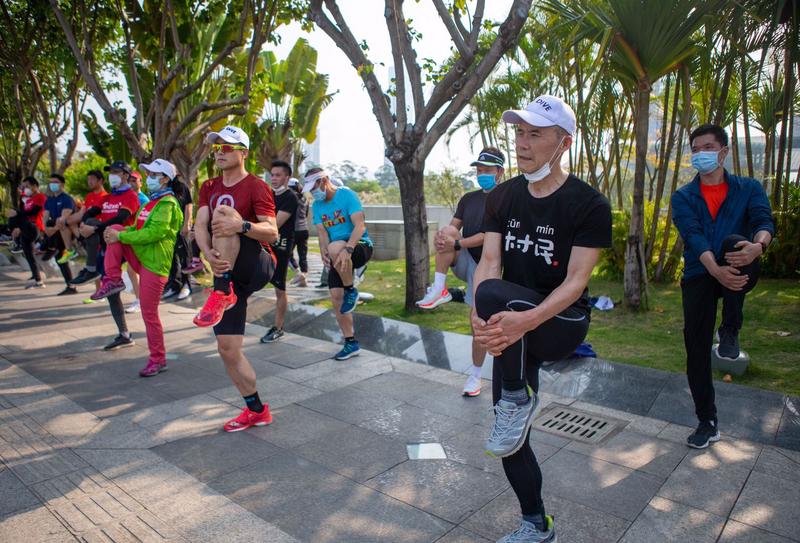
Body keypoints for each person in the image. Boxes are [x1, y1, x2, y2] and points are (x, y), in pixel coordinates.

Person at [472, 96, 611, 543]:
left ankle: (516, 397)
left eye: (535, 134)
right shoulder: (503, 196)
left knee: (497, 299)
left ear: (564, 143)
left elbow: (576, 281)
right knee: (509, 438)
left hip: (560, 322)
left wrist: (526, 320)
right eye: (518, 132)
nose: (522, 143)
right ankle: (536, 524)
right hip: (512, 327)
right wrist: (478, 317)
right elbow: (489, 262)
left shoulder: (588, 204)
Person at [671, 123, 774, 450]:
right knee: (696, 348)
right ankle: (707, 421)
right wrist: (716, 271)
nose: (700, 154)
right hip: (701, 272)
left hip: (741, 267)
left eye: (708, 147)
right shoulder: (683, 197)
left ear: (724, 152)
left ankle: (730, 328)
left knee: (733, 241)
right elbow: (693, 235)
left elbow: (763, 221)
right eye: (695, 149)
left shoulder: (748, 188)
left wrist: (759, 246)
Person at [193, 126, 279, 432]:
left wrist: (241, 226)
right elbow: (199, 225)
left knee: (224, 216)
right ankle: (257, 410)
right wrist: (207, 253)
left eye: (227, 147)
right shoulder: (209, 186)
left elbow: (272, 232)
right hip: (227, 273)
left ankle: (220, 290)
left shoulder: (256, 186)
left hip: (257, 263)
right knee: (227, 349)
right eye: (217, 148)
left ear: (244, 153)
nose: (220, 153)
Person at [416, 147, 506, 397]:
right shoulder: (468, 199)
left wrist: (456, 243)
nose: (481, 174)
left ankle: (475, 376)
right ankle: (439, 289)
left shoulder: (505, 198)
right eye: (479, 170)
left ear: (499, 172)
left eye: (487, 170)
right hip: (465, 258)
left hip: (489, 265)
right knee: (447, 232)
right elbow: (453, 229)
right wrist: (442, 238)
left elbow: (489, 235)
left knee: (478, 321)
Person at [90, 159, 184, 377]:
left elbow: (154, 233)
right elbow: (135, 227)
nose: (149, 178)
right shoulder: (151, 203)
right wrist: (116, 233)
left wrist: (121, 236)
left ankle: (158, 360)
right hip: (142, 256)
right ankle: (112, 280)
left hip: (155, 265)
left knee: (149, 314)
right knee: (115, 227)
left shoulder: (168, 204)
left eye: (153, 175)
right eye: (148, 174)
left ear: (165, 179)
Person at [303, 168, 373, 360]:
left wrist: (348, 249)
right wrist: (324, 253)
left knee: (335, 247)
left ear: (324, 180)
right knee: (335, 296)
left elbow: (360, 226)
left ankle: (351, 289)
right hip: (336, 252)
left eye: (314, 187)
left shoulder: (347, 195)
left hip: (359, 245)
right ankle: (351, 342)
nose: (313, 192)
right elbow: (322, 233)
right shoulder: (317, 206)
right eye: (310, 189)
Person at [80, 161, 141, 350]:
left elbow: (121, 219)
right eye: (111, 172)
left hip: (126, 245)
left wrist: (94, 228)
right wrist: (85, 224)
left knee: (142, 292)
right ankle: (124, 334)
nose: (112, 175)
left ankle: (91, 269)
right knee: (111, 291)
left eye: (116, 172)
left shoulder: (130, 196)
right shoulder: (107, 197)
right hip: (108, 246)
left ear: (125, 175)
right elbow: (91, 212)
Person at [260, 161, 299, 343]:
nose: (274, 178)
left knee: (279, 289)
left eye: (278, 175)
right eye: (272, 175)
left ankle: (278, 327)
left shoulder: (291, 198)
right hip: (264, 245)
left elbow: (275, 224)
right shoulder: (268, 195)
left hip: (281, 247)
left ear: (287, 177)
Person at [66, 171, 109, 284]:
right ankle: (70, 250)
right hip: (87, 233)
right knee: (94, 268)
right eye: (88, 179)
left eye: (92, 179)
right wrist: (64, 221)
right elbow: (82, 214)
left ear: (101, 181)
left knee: (100, 269)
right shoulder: (89, 196)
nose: (89, 181)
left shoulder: (105, 197)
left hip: (98, 233)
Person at [5, 177, 47, 288]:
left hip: (34, 227)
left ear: (35, 186)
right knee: (29, 256)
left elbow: (34, 212)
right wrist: (21, 200)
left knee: (14, 214)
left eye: (27, 186)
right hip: (25, 229)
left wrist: (17, 214)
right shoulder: (26, 198)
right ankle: (38, 281)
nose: (25, 189)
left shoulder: (40, 197)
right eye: (23, 187)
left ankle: (13, 239)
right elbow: (22, 211)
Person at [161, 171, 194, 301]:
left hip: (180, 228)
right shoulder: (161, 189)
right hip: (167, 230)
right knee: (171, 258)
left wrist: (186, 224)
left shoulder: (181, 186)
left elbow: (188, 205)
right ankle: (174, 285)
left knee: (184, 257)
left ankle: (186, 284)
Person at [41, 174, 77, 294]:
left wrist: (52, 230)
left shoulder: (67, 199)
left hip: (66, 231)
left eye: (55, 182)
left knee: (60, 257)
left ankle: (50, 247)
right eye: (51, 182)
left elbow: (63, 219)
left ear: (62, 185)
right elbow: (45, 216)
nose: (53, 184)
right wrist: (45, 228)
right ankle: (71, 286)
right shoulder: (49, 200)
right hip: (55, 231)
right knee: (60, 259)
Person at [124, 170, 149, 313]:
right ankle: (140, 300)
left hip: (139, 239)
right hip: (130, 238)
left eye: (134, 180)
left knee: (132, 270)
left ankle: (141, 301)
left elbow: (144, 221)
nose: (131, 183)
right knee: (131, 271)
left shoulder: (143, 200)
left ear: (141, 183)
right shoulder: (127, 197)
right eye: (129, 180)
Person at [288, 177, 310, 287]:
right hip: (304, 229)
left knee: (286, 253)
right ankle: (304, 279)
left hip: (293, 230)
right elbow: (306, 214)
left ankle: (298, 273)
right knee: (303, 255)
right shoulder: (305, 198)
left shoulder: (290, 197)